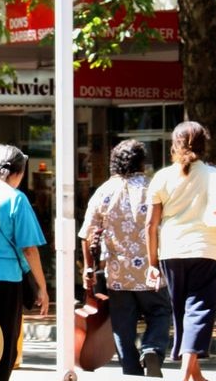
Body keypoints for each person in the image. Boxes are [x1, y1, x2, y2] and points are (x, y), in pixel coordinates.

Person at [146, 121, 216, 381]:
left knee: (182, 311)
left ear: (173, 146)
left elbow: (151, 224)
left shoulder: (162, 177)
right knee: (199, 309)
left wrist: (152, 262)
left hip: (171, 251)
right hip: (206, 249)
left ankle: (194, 373)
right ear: (204, 145)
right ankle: (185, 375)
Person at [79, 139, 170, 377]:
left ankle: (131, 370)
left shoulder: (104, 191)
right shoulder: (153, 188)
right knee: (160, 312)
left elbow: (87, 233)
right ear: (142, 162)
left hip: (117, 273)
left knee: (122, 326)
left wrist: (88, 268)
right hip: (152, 269)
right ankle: (152, 348)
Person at [0, 144, 48, 381]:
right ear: (16, 173)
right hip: (5, 280)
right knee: (5, 342)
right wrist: (42, 288)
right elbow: (29, 249)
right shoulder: (16, 199)